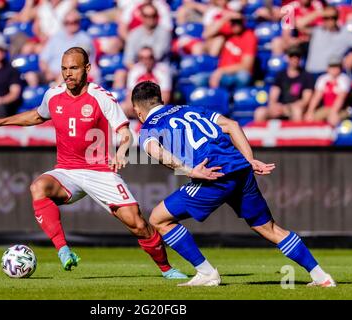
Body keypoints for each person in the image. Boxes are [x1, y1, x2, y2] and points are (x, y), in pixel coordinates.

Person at [0, 47, 186, 279]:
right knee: (38, 187)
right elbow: (38, 115)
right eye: (64, 69)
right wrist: (1, 121)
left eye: (74, 68)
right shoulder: (53, 95)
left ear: (87, 69)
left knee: (137, 224)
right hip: (67, 171)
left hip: (99, 171)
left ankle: (167, 269)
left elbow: (125, 131)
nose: (68, 74)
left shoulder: (102, 97)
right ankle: (63, 250)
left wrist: (122, 151)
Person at [132, 80, 336, 287]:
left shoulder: (149, 125)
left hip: (215, 174)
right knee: (268, 228)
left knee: (159, 219)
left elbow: (154, 151)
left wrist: (189, 170)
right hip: (240, 169)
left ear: (137, 110)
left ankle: (206, 273)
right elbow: (232, 125)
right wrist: (249, 159)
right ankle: (321, 276)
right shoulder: (191, 109)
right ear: (162, 100)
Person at [254, 45, 314, 122]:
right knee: (260, 112)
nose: (294, 59)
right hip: (281, 107)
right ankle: (260, 134)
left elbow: (305, 100)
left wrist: (288, 107)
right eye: (292, 56)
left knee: (297, 111)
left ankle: (296, 134)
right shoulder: (280, 75)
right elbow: (273, 95)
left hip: (294, 108)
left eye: (297, 56)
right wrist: (274, 106)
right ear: (287, 58)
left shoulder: (306, 76)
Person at [209, 15, 257, 90]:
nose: (236, 25)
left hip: (236, 74)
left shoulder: (249, 36)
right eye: (233, 22)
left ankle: (237, 99)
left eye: (238, 22)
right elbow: (205, 35)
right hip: (221, 74)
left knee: (243, 77)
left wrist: (221, 71)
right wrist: (223, 19)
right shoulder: (226, 33)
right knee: (199, 79)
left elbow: (246, 66)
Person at [304, 55, 352, 126]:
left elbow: (341, 98)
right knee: (309, 118)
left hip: (342, 109)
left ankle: (333, 136)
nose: (334, 69)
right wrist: (310, 111)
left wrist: (333, 112)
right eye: (332, 66)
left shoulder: (344, 79)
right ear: (328, 68)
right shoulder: (323, 79)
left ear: (340, 68)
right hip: (326, 108)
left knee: (333, 119)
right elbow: (316, 97)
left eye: (337, 66)